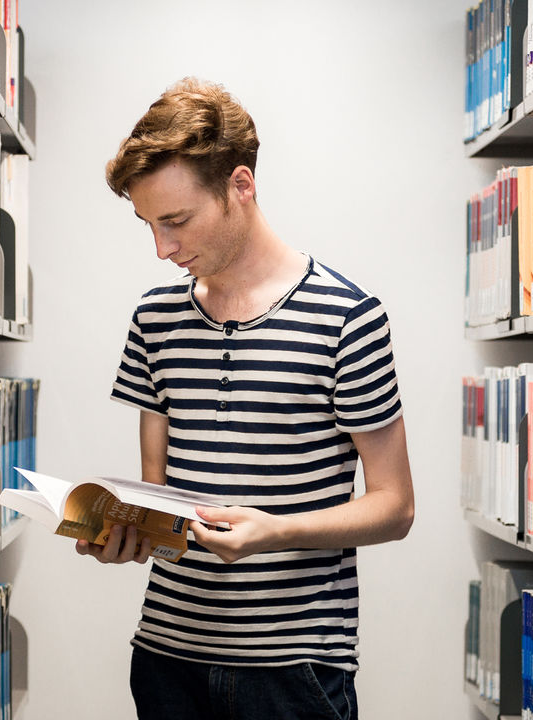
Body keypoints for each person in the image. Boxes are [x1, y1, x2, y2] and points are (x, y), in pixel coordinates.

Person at [84, 77, 415, 720]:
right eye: (148, 225)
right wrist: (123, 534)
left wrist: (276, 532)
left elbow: (395, 507)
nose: (162, 249)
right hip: (164, 660)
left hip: (294, 674)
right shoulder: (154, 320)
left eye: (176, 221)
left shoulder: (348, 316)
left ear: (241, 185)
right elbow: (164, 507)